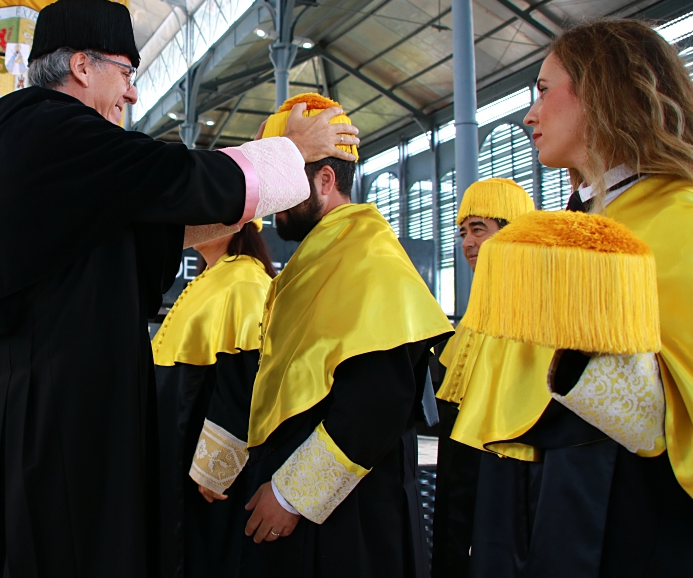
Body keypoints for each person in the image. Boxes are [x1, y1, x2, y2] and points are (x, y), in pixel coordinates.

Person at [0, 0, 360, 578]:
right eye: (127, 74)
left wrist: (252, 185)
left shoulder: (61, 147)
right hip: (63, 401)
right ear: (83, 66)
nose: (131, 94)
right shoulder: (43, 123)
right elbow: (166, 176)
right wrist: (288, 154)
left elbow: (155, 219)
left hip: (70, 388)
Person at [464, 18, 693, 576]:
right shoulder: (582, 221)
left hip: (642, 524)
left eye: (544, 91)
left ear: (600, 91)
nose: (529, 115)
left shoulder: (683, 223)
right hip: (553, 508)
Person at [233, 93, 452, 577]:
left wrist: (292, 494)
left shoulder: (368, 259)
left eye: (284, 179)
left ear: (325, 181)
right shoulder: (325, 254)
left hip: (343, 522)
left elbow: (380, 399)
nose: (271, 204)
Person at [153, 218, 275, 578]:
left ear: (238, 223)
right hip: (180, 450)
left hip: (210, 476)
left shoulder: (246, 281)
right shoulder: (213, 275)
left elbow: (247, 380)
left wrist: (215, 469)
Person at [429, 178, 537, 578]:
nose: (468, 243)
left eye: (479, 229)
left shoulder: (533, 315)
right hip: (460, 480)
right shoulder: (473, 318)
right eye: (462, 232)